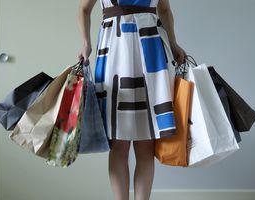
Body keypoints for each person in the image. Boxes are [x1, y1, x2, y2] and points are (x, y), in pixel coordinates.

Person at [77, 0, 186, 200]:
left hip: (151, 51)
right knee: (118, 143)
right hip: (113, 52)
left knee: (146, 144)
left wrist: (173, 42)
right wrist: (86, 44)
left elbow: (164, 9)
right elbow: (84, 9)